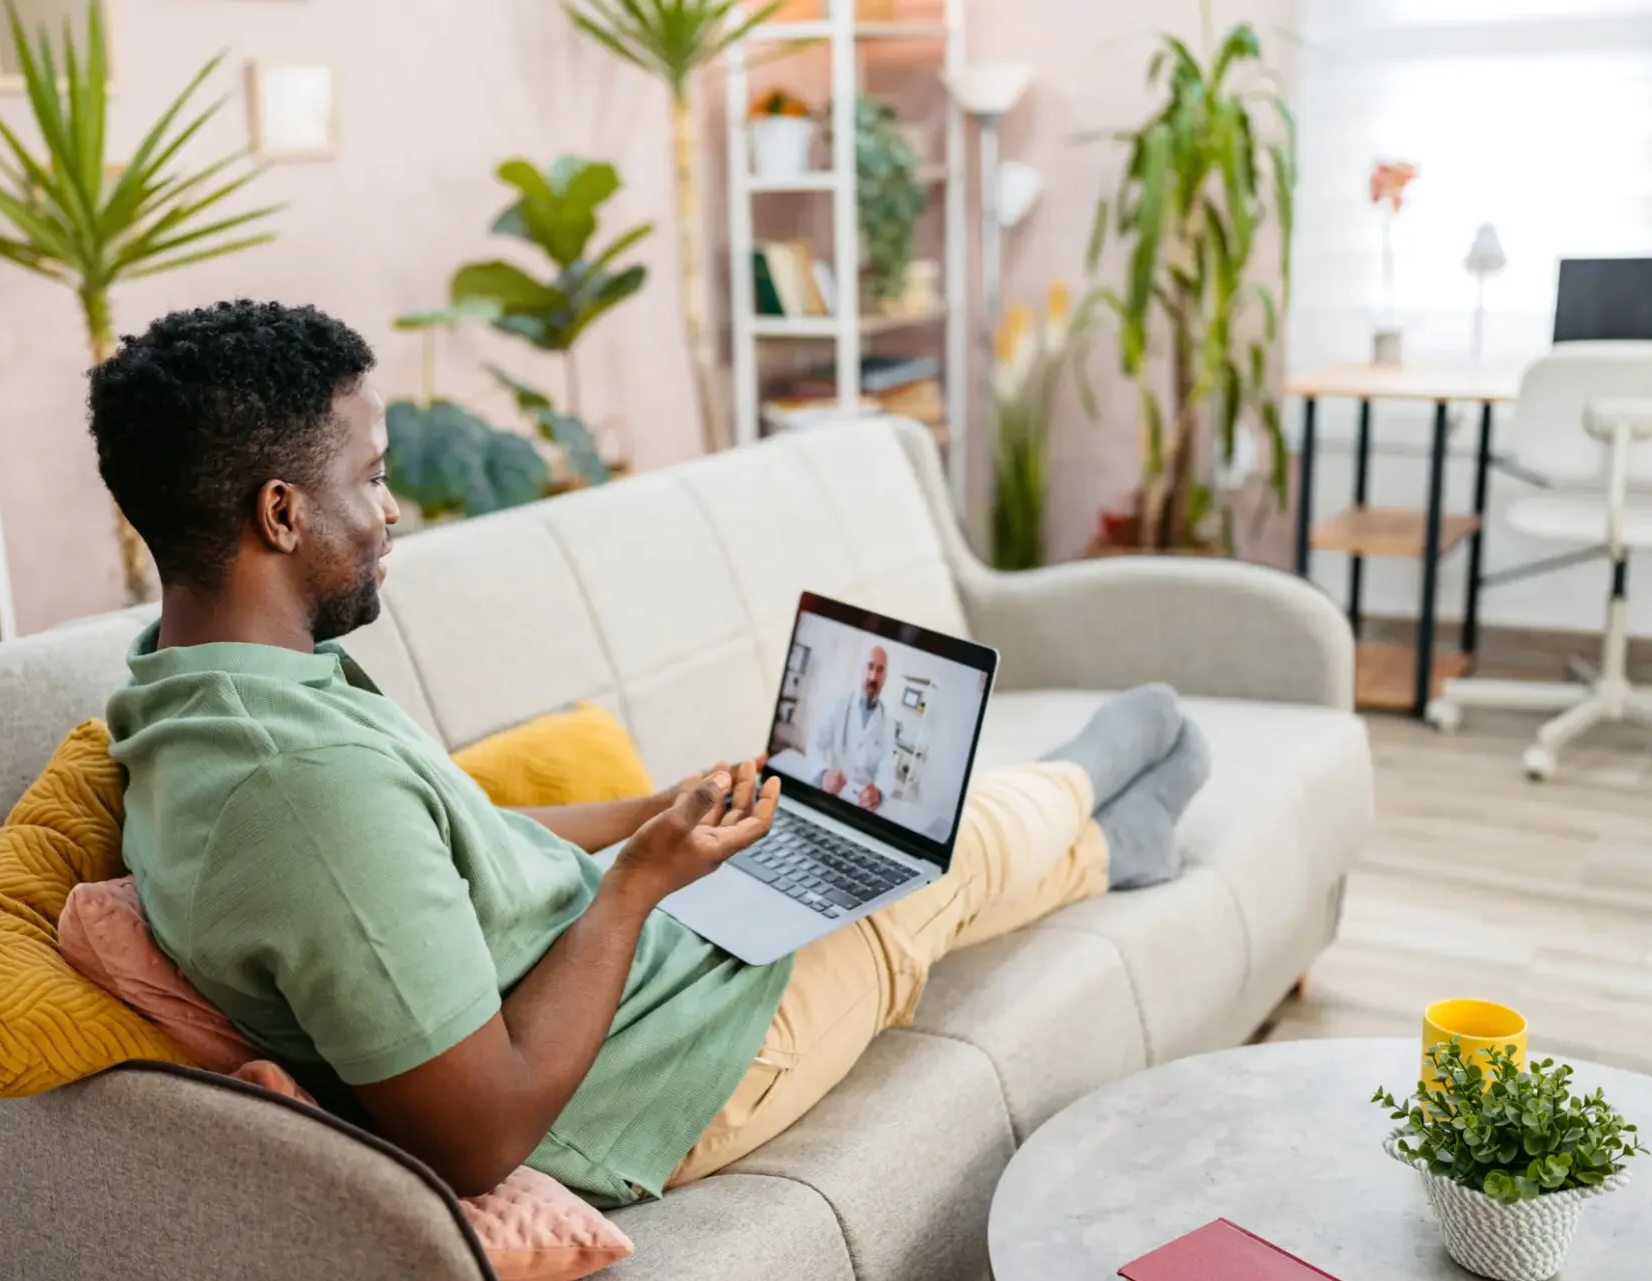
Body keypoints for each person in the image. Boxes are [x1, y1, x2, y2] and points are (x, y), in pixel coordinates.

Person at [94, 300, 1210, 1211]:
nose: (390, 514)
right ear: (282, 513)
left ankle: (1104, 830)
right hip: (661, 1073)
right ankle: (1086, 796)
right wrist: (639, 885)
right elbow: (482, 1134)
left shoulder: (193, 687)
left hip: (636, 973)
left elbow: (441, 863)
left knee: (840, 825)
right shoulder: (297, 790)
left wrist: (651, 814)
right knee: (927, 850)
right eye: (371, 479)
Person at [811, 645, 890, 811]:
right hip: (831, 794)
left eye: (880, 670)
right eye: (870, 667)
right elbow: (815, 742)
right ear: (862, 670)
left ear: (885, 677)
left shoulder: (888, 723)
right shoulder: (839, 704)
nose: (873, 676)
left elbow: (888, 769)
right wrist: (823, 773)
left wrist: (879, 793)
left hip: (862, 806)